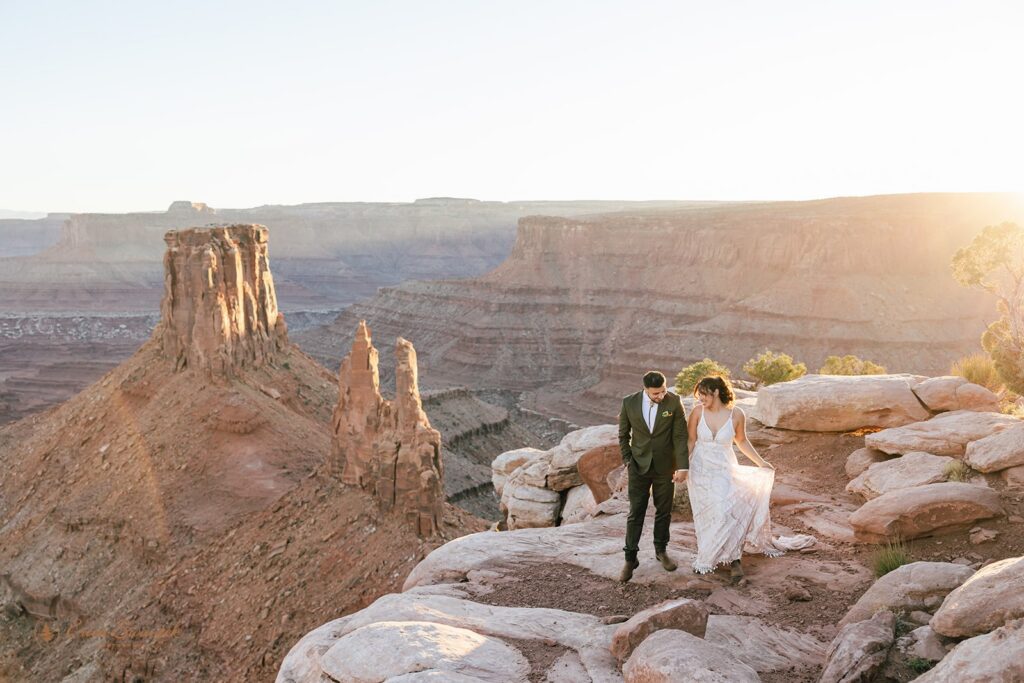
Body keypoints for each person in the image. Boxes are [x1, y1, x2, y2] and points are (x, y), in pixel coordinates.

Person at [680, 375, 782, 583]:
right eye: (699, 395)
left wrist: (761, 463)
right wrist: (682, 466)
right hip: (700, 468)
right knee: (707, 515)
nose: (700, 399)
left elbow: (742, 441)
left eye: (704, 394)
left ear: (716, 392)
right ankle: (709, 556)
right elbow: (691, 440)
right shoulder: (697, 412)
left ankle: (734, 558)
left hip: (724, 467)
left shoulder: (737, 414)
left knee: (725, 510)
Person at [616, 370, 688, 582]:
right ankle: (630, 558)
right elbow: (623, 434)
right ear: (645, 389)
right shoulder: (629, 402)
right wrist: (628, 460)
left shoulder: (674, 402)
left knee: (663, 511)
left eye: (663, 391)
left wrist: (682, 466)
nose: (661, 396)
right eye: (656, 393)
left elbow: (680, 435)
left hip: (665, 467)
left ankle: (661, 551)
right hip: (638, 466)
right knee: (635, 512)